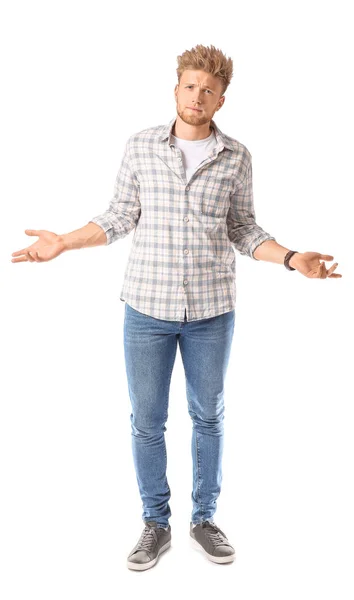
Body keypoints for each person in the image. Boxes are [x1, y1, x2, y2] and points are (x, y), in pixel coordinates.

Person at [11, 44, 342, 571]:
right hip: (146, 310)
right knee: (147, 420)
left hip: (213, 312)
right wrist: (65, 243)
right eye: (191, 86)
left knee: (208, 415)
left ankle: (204, 520)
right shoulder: (141, 146)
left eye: (209, 90)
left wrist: (292, 258)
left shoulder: (236, 156)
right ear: (176, 90)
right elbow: (118, 216)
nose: (198, 96)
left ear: (221, 100)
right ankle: (155, 523)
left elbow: (243, 229)